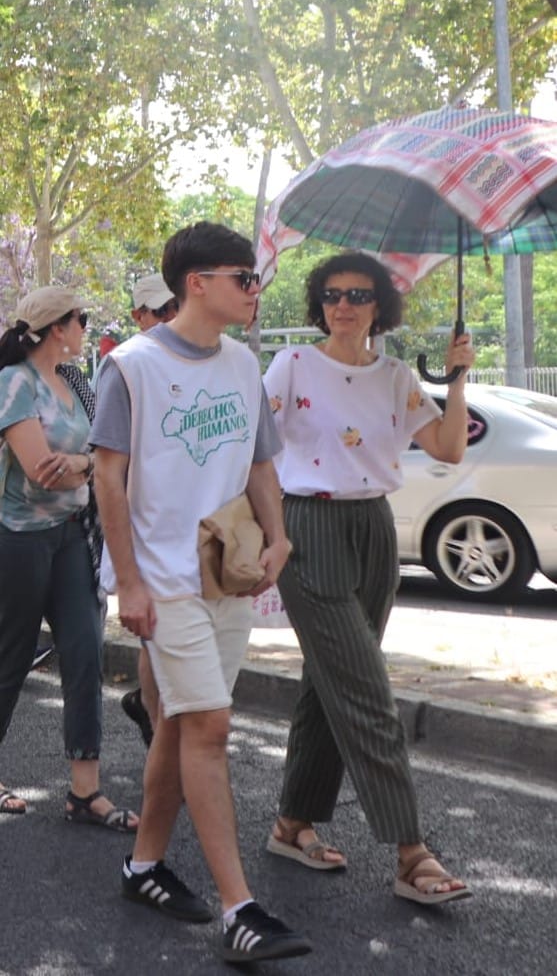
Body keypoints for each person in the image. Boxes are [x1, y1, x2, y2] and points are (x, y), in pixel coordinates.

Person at [91, 222, 312, 964]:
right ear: (197, 283)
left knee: (185, 725)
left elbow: (258, 465)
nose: (254, 291)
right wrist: (127, 581)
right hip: (163, 579)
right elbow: (108, 481)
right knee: (211, 728)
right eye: (243, 279)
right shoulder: (131, 367)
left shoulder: (245, 367)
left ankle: (143, 866)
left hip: (229, 570)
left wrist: (278, 537)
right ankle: (239, 910)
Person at [263, 252, 475, 905]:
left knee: (327, 684)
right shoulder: (292, 364)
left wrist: (457, 378)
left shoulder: (393, 376)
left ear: (378, 303)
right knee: (366, 691)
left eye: (356, 294)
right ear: (317, 303)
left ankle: (291, 822)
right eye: (330, 294)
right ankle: (411, 851)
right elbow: (252, 444)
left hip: (374, 532)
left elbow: (446, 447)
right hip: (309, 527)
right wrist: (269, 534)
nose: (342, 304)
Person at [0, 285, 139, 830]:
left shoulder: (77, 382)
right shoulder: (14, 383)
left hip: (74, 536)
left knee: (84, 655)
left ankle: (86, 792)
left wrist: (82, 464)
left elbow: (102, 457)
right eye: (80, 318)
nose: (86, 325)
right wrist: (90, 466)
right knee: (11, 659)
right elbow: (41, 469)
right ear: (58, 327)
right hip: (21, 540)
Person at [117, 273, 178, 747]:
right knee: (152, 635)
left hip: (188, 527)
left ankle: (153, 716)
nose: (170, 320)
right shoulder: (125, 368)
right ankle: (160, 734)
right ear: (139, 317)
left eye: (176, 308)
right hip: (140, 521)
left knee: (158, 640)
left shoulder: (209, 361)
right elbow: (106, 470)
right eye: (160, 312)